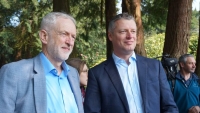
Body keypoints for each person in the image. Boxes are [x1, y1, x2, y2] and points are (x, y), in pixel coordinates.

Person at [84, 12, 178, 113]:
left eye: (133, 31)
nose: (130, 36)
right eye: (123, 31)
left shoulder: (155, 67)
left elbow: (169, 106)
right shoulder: (97, 74)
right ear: (110, 36)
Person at [0, 12, 84, 113]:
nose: (70, 42)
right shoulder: (14, 73)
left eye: (73, 37)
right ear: (44, 36)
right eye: (64, 34)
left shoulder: (73, 74)